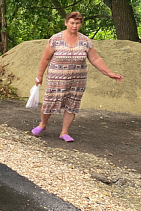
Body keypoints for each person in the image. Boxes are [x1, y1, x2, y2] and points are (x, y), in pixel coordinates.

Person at [31, 11, 124, 142]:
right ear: (66, 23)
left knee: (72, 104)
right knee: (49, 102)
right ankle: (43, 124)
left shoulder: (85, 41)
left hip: (77, 81)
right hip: (56, 79)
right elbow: (45, 59)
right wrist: (39, 76)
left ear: (81, 24)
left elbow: (95, 59)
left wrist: (109, 73)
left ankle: (64, 132)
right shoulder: (55, 39)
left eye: (77, 23)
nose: (74, 26)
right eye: (72, 23)